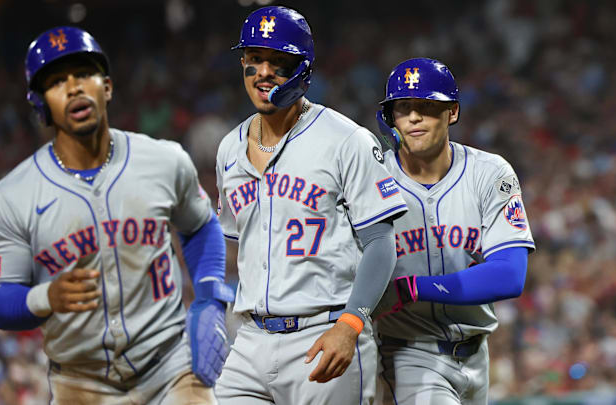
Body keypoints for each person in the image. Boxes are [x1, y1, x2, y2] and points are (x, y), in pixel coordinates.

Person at [0, 26, 233, 404]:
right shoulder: (10, 197)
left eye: (84, 74)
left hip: (171, 368)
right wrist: (46, 296)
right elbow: (0, 300)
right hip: (81, 384)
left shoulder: (164, 161)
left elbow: (200, 226)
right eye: (57, 82)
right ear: (41, 105)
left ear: (107, 87)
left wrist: (210, 295)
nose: (74, 87)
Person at [214, 6, 408, 405]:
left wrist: (351, 324)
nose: (264, 72)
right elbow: (239, 247)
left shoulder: (345, 140)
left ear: (303, 70)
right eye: (255, 59)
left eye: (278, 61)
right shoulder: (228, 150)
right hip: (249, 341)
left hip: (323, 331)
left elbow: (380, 243)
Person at [372, 57, 535, 405]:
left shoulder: (489, 173)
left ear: (453, 112)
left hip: (477, 356)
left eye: (426, 106)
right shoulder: (371, 179)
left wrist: (411, 289)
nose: (414, 117)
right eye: (403, 108)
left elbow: (509, 275)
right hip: (404, 353)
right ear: (391, 119)